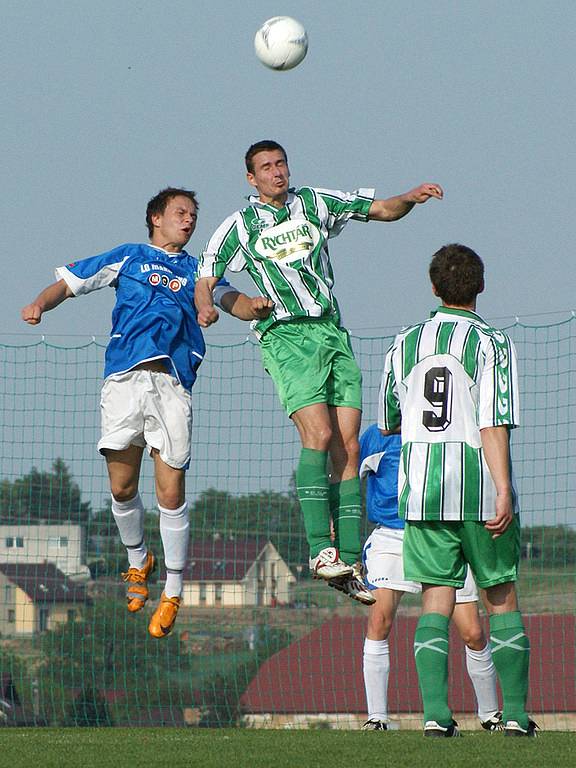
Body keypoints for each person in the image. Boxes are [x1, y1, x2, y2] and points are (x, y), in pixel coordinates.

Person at [194, 139, 443, 604]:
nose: (276, 172)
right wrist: (213, 306)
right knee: (319, 435)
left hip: (333, 332)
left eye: (280, 163)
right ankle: (320, 549)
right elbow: (207, 277)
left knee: (348, 445)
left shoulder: (313, 202)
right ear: (251, 178)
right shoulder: (238, 225)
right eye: (265, 167)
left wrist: (409, 197)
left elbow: (381, 210)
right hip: (286, 337)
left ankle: (349, 560)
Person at [21, 187, 273, 638]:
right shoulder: (130, 256)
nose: (190, 220)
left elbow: (227, 297)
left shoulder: (200, 268)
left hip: (172, 381)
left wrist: (249, 308)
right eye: (181, 212)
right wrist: (41, 303)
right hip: (123, 378)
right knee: (121, 486)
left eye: (194, 215)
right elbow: (71, 282)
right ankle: (138, 562)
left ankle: (173, 589)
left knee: (171, 490)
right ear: (156, 217)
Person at [379, 243, 536, 737]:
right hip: (477, 489)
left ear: (433, 287)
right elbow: (494, 422)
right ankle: (513, 716)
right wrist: (504, 488)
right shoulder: (491, 343)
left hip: (422, 491)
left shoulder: (402, 344)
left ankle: (435, 716)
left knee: (435, 601)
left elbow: (388, 420)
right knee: (501, 597)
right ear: (480, 286)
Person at [359, 424, 502, 732]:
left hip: (441, 534)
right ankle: (377, 719)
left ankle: (491, 716)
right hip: (391, 537)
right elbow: (345, 474)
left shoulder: (446, 430)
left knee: (473, 633)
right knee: (379, 620)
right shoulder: (375, 437)